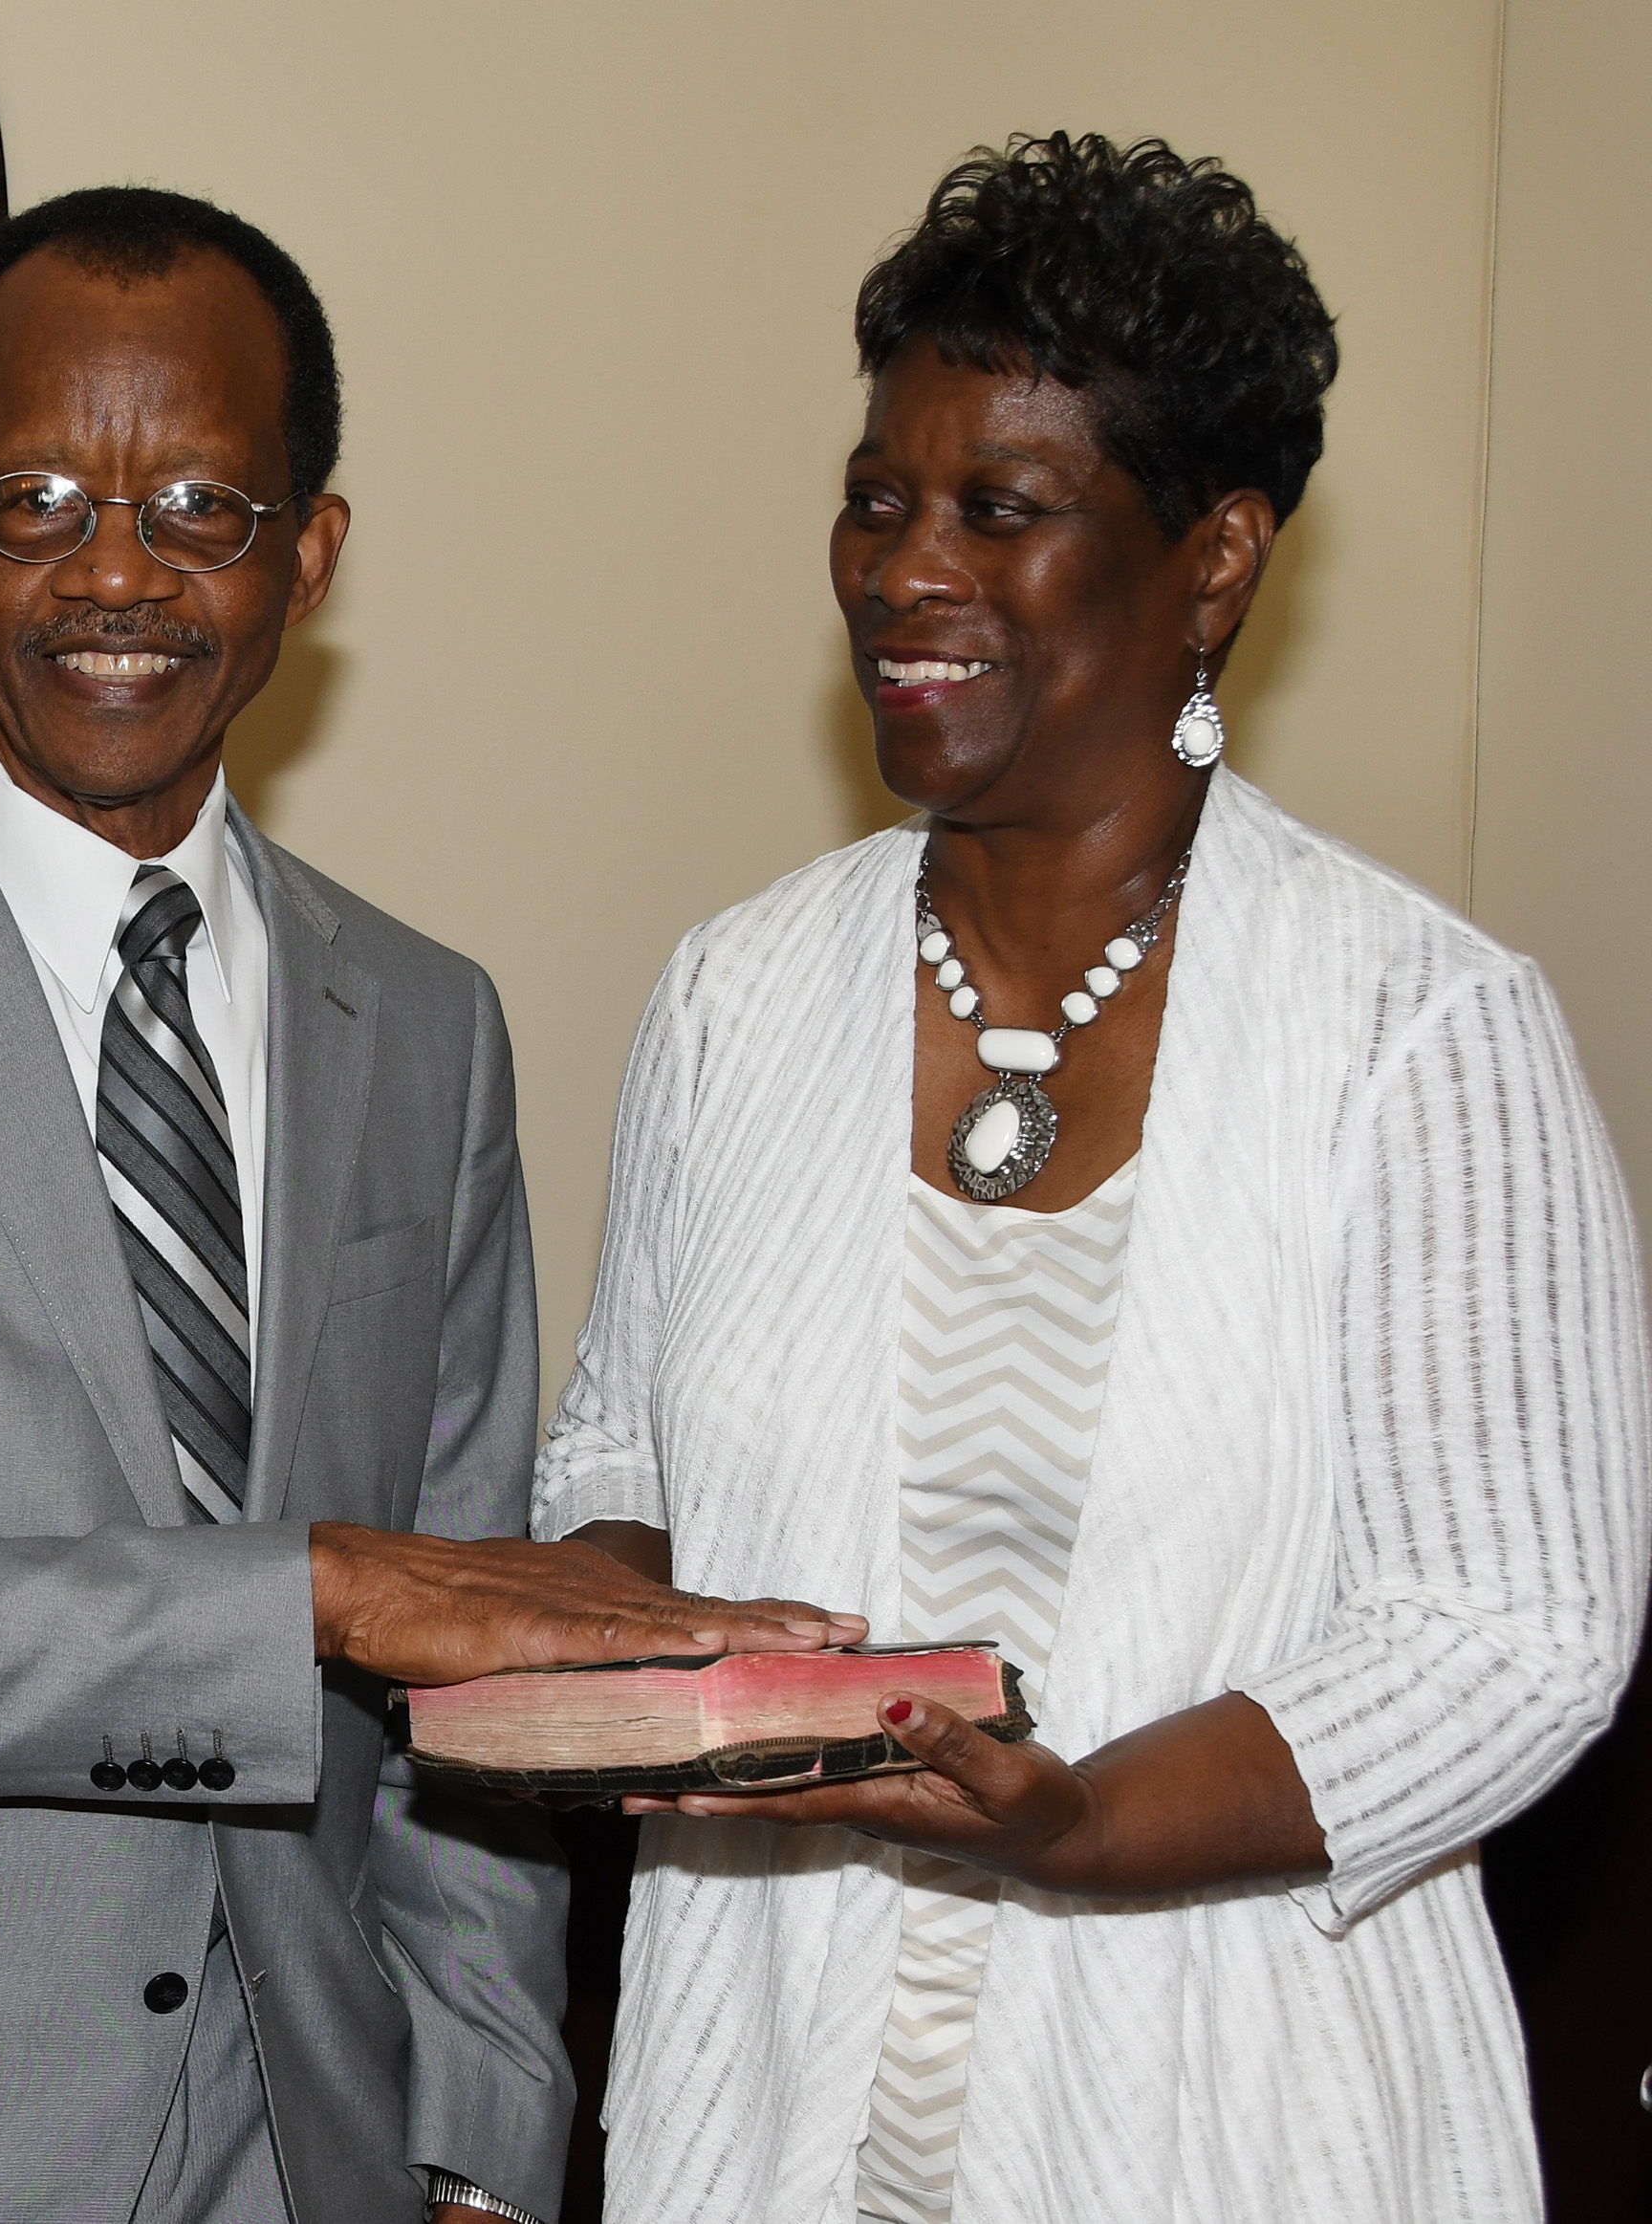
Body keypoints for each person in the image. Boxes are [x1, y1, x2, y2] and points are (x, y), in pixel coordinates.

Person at [0, 185, 864, 2224]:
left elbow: (471, 1666)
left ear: (305, 554)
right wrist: (311, 1588)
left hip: (283, 2135)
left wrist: (473, 2146)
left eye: (198, 508)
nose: (110, 572)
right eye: (34, 499)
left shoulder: (419, 1022)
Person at [533, 135, 1649, 2224]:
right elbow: (617, 1462)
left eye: (998, 510)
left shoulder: (1416, 1027)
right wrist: (546, 1633)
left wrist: (1080, 1820)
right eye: (875, 498)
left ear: (1209, 562)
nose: (898, 568)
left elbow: (1513, 1630)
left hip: (1238, 2111)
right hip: (764, 2109)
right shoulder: (734, 994)